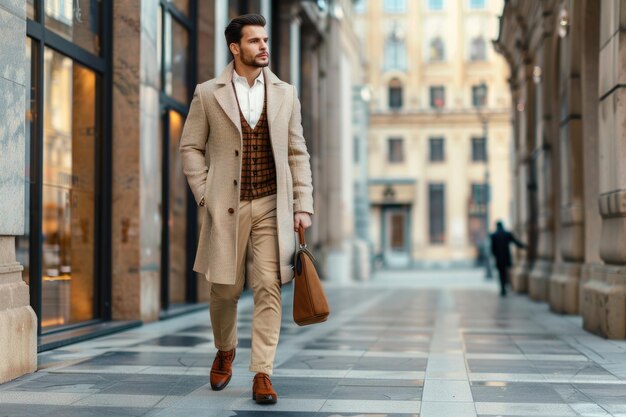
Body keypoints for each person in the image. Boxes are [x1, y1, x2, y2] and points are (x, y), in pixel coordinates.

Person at [179, 14, 314, 405]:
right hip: (226, 206)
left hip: (273, 204)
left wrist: (302, 204)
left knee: (269, 286)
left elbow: (296, 152)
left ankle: (262, 372)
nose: (263, 47)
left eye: (265, 40)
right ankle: (225, 348)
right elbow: (190, 147)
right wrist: (205, 193)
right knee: (224, 288)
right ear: (235, 48)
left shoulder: (286, 93)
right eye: (254, 41)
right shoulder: (208, 93)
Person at [490, 221, 525, 296]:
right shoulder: (506, 234)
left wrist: (495, 255)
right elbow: (515, 242)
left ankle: (502, 288)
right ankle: (505, 287)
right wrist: (523, 246)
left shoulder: (494, 235)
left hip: (499, 258)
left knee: (500, 273)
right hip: (506, 257)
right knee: (505, 273)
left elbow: (492, 249)